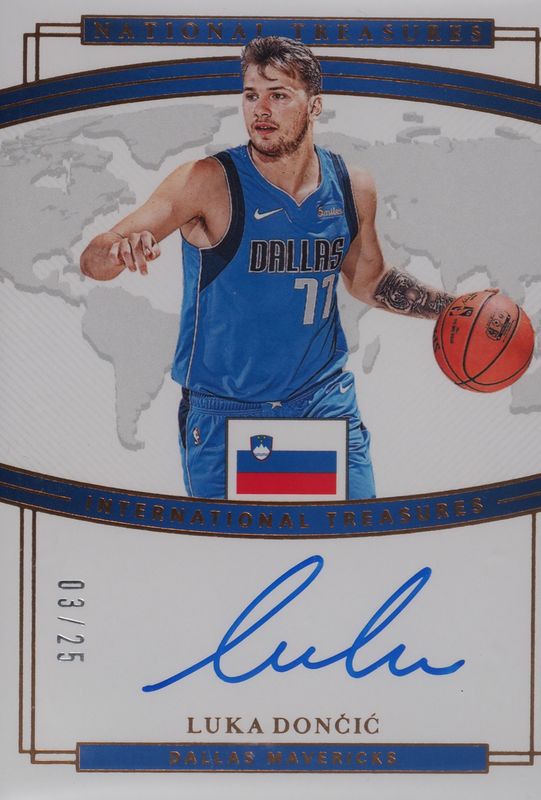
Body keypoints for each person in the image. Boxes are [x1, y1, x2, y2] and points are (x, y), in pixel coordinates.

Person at [80, 36, 454, 500]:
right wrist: (118, 251)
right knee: (240, 546)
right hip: (227, 412)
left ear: (314, 106)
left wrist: (455, 309)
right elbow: (93, 258)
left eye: (278, 95)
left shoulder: (351, 186)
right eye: (251, 95)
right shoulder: (206, 182)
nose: (261, 109)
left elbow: (370, 279)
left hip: (321, 401)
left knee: (357, 536)